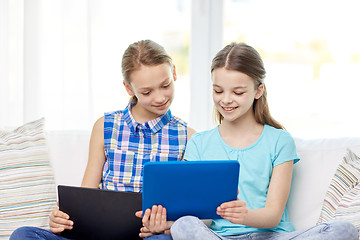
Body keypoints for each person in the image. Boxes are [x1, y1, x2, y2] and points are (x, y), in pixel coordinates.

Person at [141, 43, 359, 240]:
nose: (225, 99)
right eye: (218, 91)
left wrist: (244, 215)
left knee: (344, 229)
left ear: (258, 90)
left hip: (273, 236)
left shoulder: (279, 140)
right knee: (185, 224)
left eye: (237, 92)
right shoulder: (199, 142)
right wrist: (167, 224)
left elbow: (273, 216)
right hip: (219, 238)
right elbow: (202, 219)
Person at [9, 39, 195, 240]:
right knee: (23, 234)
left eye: (165, 85)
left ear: (174, 73)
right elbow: (86, 196)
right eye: (147, 92)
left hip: (148, 237)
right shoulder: (105, 126)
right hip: (99, 234)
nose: (159, 98)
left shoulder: (187, 136)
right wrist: (63, 219)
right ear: (129, 88)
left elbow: (189, 212)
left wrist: (165, 228)